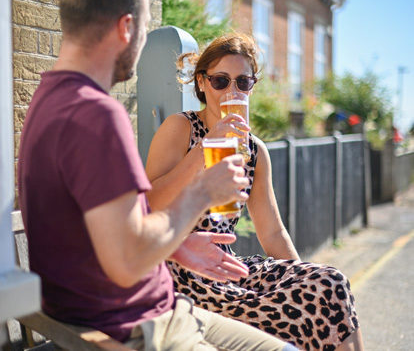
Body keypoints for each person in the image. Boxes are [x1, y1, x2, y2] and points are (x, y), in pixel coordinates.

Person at [17, 0, 298, 350]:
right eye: (146, 28)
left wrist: (178, 246)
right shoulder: (98, 114)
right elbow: (128, 260)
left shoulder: (49, 97)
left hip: (148, 308)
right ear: (127, 27)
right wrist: (202, 191)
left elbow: (106, 233)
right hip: (137, 325)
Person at [145, 33, 364, 350]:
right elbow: (148, 203)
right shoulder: (181, 128)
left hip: (227, 269)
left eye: (242, 82)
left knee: (331, 285)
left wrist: (301, 278)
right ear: (202, 83)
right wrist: (206, 148)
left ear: (252, 87)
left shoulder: (254, 152)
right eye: (221, 81)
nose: (232, 92)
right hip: (181, 273)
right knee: (305, 312)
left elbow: (273, 232)